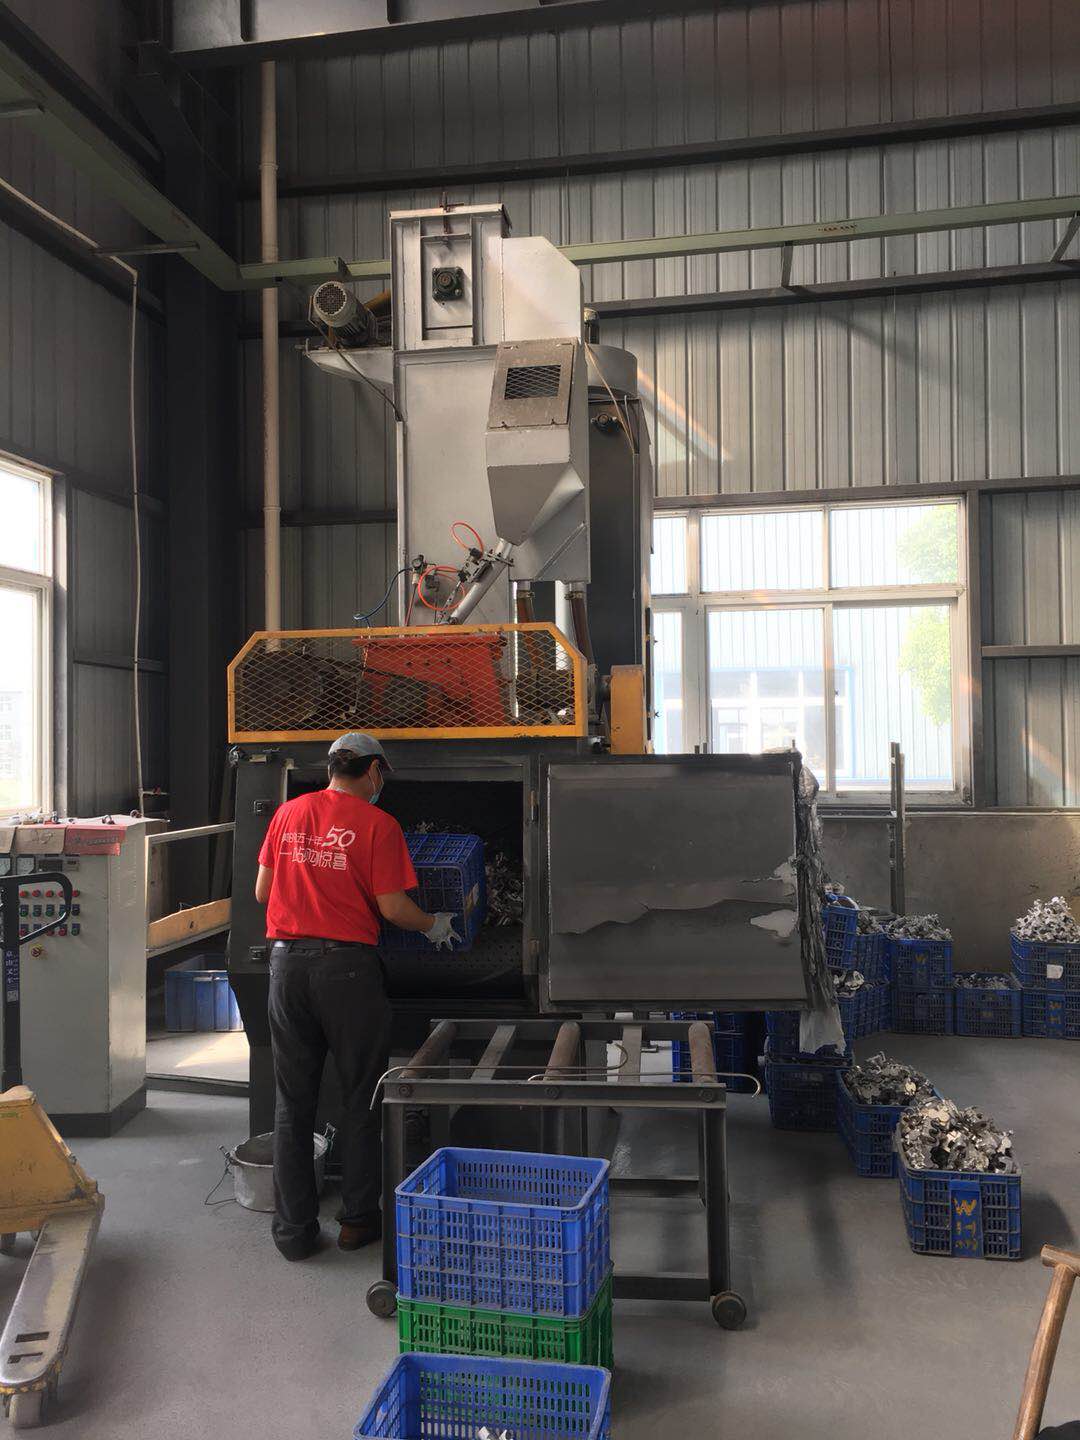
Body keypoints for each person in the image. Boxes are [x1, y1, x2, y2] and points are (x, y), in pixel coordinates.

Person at [254, 732, 460, 1261]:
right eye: (381, 775)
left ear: (331, 769)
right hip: (346, 972)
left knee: (292, 1104)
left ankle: (293, 1233)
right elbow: (393, 908)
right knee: (361, 1097)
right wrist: (433, 924)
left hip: (285, 966)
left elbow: (262, 891)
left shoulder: (288, 813)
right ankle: (357, 1222)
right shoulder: (378, 824)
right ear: (372, 771)